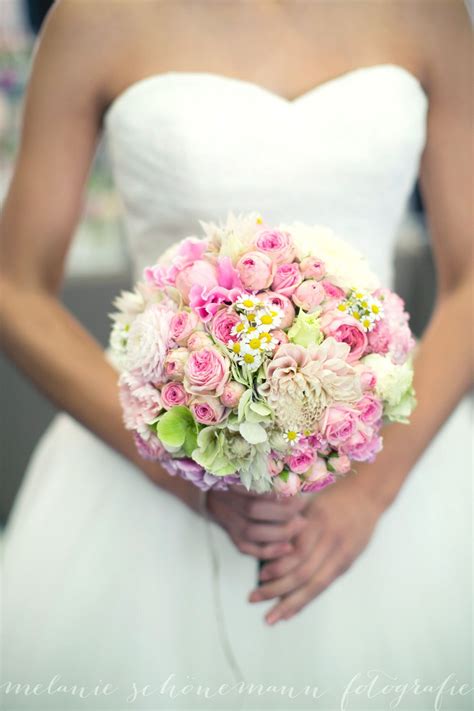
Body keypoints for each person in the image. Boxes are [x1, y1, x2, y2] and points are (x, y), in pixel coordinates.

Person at [1, 1, 472, 709]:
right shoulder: (94, 16)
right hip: (146, 475)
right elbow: (15, 287)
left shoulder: (431, 12)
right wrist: (181, 470)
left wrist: (368, 493)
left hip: (391, 473)